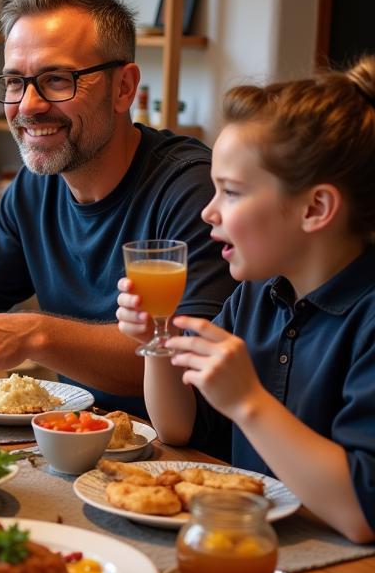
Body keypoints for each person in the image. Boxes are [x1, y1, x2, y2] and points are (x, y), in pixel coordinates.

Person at [0, 0, 235, 414]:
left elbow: (185, 357)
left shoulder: (191, 190)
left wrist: (35, 334)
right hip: (76, 437)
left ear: (124, 88)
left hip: (181, 457)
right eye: (16, 82)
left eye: (56, 79)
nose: (29, 105)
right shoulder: (38, 183)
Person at [117, 61, 375, 543]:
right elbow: (178, 429)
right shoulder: (258, 294)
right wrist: (160, 337)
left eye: (230, 192)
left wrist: (248, 402)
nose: (208, 211)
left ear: (315, 208)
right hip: (249, 542)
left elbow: (362, 512)